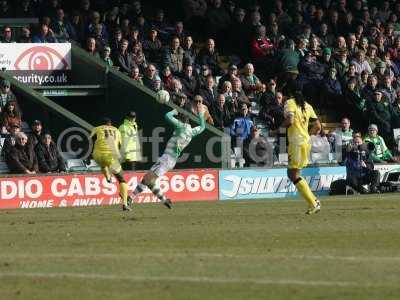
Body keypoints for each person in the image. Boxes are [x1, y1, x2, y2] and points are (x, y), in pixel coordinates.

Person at [130, 105, 206, 209]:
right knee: (149, 181)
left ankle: (130, 198)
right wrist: (201, 114)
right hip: (171, 161)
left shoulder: (181, 126)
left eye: (178, 118)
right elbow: (202, 127)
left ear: (181, 120)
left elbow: (167, 116)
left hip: (166, 158)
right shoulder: (191, 132)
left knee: (147, 179)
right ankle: (163, 199)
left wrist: (174, 111)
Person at [282, 88, 321, 214]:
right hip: (305, 142)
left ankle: (313, 203)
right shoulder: (308, 106)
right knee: (293, 173)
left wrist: (278, 129)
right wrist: (308, 135)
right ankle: (314, 200)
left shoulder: (290, 103)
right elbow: (318, 126)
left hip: (296, 143)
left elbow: (290, 120)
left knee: (293, 175)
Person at [90, 118, 131, 211]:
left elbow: (90, 140)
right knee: (122, 180)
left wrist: (90, 154)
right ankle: (124, 203)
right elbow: (121, 145)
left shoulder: (96, 128)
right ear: (110, 124)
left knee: (103, 164)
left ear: (101, 124)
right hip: (111, 157)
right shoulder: (116, 130)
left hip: (97, 155)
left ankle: (108, 177)